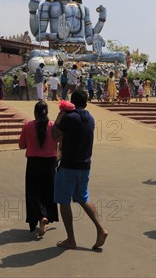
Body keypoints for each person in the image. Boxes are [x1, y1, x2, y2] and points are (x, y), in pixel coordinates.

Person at [51, 89, 108, 250]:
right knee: (83, 197)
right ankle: (100, 228)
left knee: (63, 201)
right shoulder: (90, 118)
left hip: (69, 165)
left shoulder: (69, 118)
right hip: (85, 165)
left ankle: (71, 239)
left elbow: (54, 135)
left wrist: (60, 115)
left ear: (72, 102)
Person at [18, 101, 59, 236]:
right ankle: (46, 216)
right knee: (48, 191)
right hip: (50, 163)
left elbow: (21, 145)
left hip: (34, 162)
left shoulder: (28, 126)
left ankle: (40, 216)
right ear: (47, 112)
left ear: (35, 113)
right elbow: (59, 141)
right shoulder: (53, 126)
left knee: (33, 191)